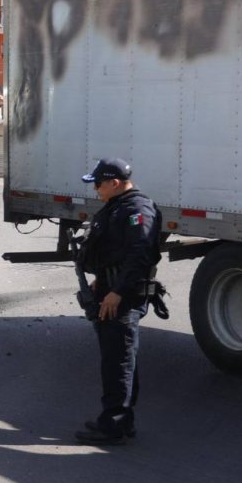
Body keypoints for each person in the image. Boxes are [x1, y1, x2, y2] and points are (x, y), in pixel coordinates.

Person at [74, 157, 163, 446]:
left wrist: (118, 291)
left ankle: (113, 424)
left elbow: (140, 254)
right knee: (118, 358)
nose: (96, 189)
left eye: (98, 184)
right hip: (111, 289)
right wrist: (103, 277)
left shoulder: (138, 209)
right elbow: (116, 251)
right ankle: (122, 421)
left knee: (119, 361)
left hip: (122, 297)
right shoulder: (118, 206)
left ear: (114, 182)